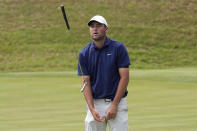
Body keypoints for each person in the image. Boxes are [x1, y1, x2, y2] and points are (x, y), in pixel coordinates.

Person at [78, 15, 130, 131]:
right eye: (92, 26)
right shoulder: (84, 53)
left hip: (117, 102)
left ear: (106, 28)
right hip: (95, 104)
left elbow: (125, 78)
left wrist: (115, 105)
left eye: (98, 26)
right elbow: (85, 82)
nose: (95, 29)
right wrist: (91, 108)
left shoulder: (118, 48)